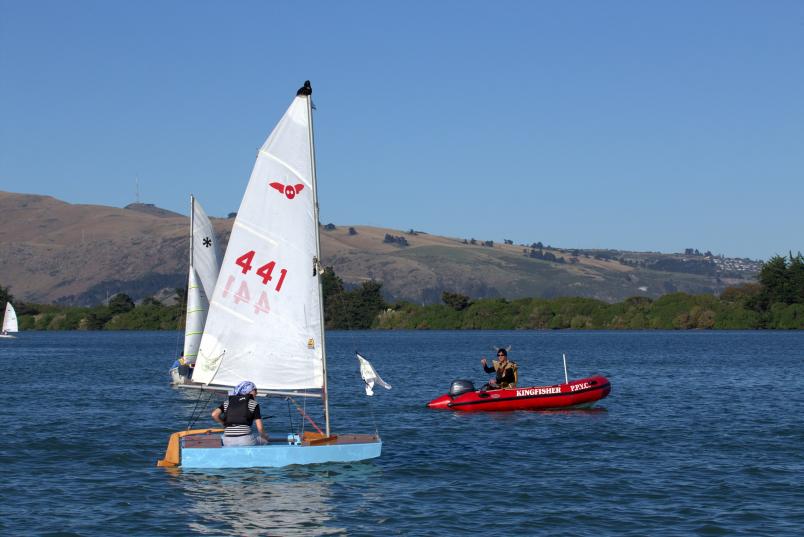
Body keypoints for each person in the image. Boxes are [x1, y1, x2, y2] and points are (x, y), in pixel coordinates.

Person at [211, 381, 269, 446]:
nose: (257, 393)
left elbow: (214, 414)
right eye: (255, 390)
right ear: (249, 391)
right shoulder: (253, 403)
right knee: (264, 440)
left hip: (227, 441)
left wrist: (224, 423)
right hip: (246, 441)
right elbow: (260, 428)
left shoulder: (227, 402)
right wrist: (264, 437)